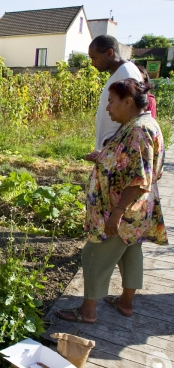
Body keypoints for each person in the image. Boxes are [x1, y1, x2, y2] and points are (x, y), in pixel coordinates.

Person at [55, 78, 168, 324]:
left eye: (111, 102)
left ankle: (87, 311)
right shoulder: (142, 124)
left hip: (122, 212)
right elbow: (129, 162)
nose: (108, 108)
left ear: (127, 102)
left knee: (94, 255)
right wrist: (103, 156)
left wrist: (116, 213)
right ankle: (125, 303)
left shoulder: (138, 130)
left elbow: (139, 178)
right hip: (137, 212)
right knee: (130, 252)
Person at [87, 35, 142, 157]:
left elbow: (135, 114)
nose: (92, 63)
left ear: (110, 52)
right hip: (112, 149)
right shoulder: (119, 72)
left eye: (94, 58)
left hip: (118, 151)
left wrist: (114, 141)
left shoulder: (126, 73)